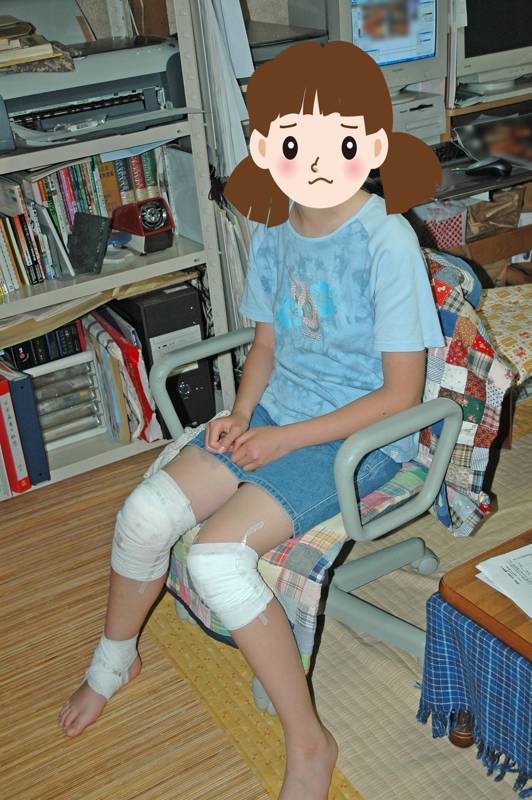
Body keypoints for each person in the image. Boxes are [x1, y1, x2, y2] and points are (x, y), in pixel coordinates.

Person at [58, 41, 444, 800]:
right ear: (267, 150)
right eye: (296, 144)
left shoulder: (386, 240)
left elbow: (401, 396)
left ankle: (310, 743)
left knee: (217, 558)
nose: (317, 162)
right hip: (276, 412)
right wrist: (239, 415)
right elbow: (265, 345)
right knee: (143, 517)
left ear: (371, 145)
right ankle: (114, 660)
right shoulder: (273, 231)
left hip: (362, 440)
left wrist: (282, 439)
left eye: (338, 142)